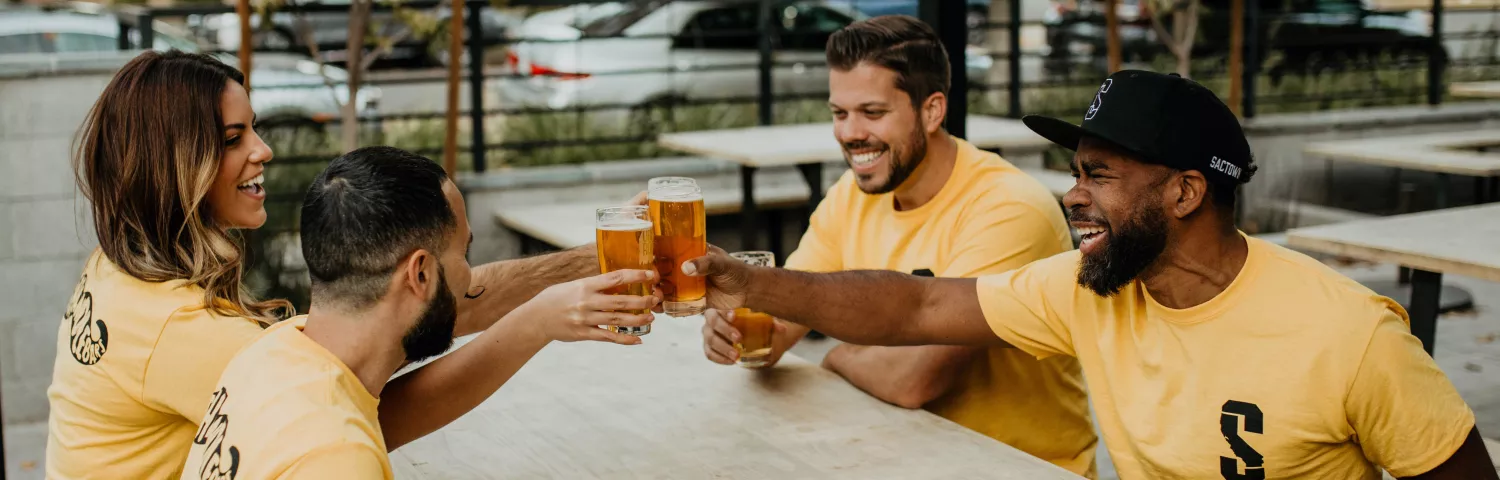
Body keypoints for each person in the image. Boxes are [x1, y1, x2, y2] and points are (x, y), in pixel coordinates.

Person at [683, 70, 1497, 479]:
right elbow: (922, 304)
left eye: (1100, 174)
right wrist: (749, 283)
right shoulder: (1087, 286)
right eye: (1075, 170)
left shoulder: (1348, 336)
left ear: (1185, 191)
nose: (1072, 195)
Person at [48, 50, 625, 479]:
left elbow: (403, 302)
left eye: (254, 127)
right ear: (171, 165)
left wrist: (589, 264)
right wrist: (535, 325)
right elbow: (356, 414)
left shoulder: (124, 269)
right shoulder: (192, 335)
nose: (263, 149)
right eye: (232, 137)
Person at [697, 15, 1097, 477]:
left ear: (932, 111)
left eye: (872, 112)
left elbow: (915, 380)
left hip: (1021, 468)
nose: (849, 133)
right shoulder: (852, 193)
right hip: (901, 455)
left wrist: (838, 355)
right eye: (839, 113)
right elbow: (778, 327)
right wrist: (737, 333)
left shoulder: (1008, 207)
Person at [178, 146, 656, 478]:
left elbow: (387, 417)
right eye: (463, 255)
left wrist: (540, 317)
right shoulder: (336, 458)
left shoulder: (272, 353)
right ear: (421, 274)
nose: (471, 278)